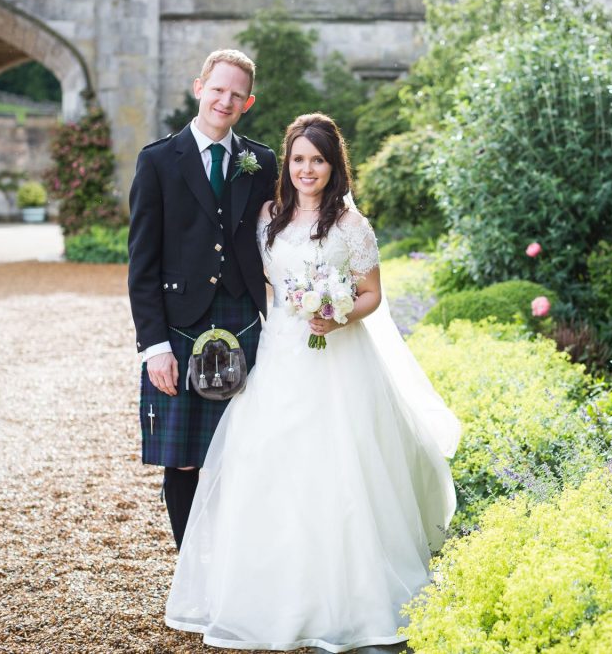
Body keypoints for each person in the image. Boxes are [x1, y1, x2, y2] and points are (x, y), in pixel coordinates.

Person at [164, 113, 460, 652]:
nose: (307, 169)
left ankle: (345, 594)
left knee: (339, 463)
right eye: (298, 159)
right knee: (268, 460)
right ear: (288, 163)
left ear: (333, 167)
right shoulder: (268, 217)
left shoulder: (350, 225)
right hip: (280, 352)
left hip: (337, 357)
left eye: (317, 160)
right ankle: (269, 589)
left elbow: (370, 293)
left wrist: (338, 314)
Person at [127, 49, 278, 550]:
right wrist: (154, 347)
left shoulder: (263, 162)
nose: (225, 100)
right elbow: (142, 265)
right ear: (199, 88)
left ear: (248, 102)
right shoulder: (157, 161)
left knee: (241, 448)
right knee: (185, 456)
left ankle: (235, 565)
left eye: (236, 94)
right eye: (217, 89)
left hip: (245, 321)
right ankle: (192, 568)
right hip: (177, 328)